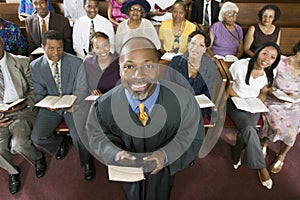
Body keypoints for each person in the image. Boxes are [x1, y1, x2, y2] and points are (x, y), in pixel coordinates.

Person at [84, 37, 205, 199]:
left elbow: (191, 135)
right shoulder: (104, 105)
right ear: (119, 70)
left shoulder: (184, 101)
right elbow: (96, 135)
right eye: (129, 66)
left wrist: (166, 154)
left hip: (163, 172)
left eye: (148, 66)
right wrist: (114, 152)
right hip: (128, 171)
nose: (138, 75)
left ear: (159, 68)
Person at [30, 30, 96, 181]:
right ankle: (60, 142)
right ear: (43, 47)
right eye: (51, 48)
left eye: (60, 48)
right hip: (51, 108)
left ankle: (87, 161)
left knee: (78, 136)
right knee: (37, 137)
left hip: (74, 105)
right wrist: (49, 105)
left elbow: (82, 88)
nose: (56, 53)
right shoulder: (35, 66)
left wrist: (75, 104)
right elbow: (39, 93)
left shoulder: (76, 62)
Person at [227, 42, 281, 190]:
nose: (266, 59)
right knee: (251, 130)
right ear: (258, 52)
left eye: (272, 57)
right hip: (235, 102)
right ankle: (261, 167)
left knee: (247, 130)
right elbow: (227, 85)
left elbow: (263, 91)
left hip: (253, 105)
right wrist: (239, 99)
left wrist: (258, 102)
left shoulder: (270, 72)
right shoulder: (240, 65)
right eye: (264, 53)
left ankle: (236, 152)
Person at [0, 37, 46, 195]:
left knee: (19, 144)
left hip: (23, 109)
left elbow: (36, 91)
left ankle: (37, 157)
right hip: (1, 114)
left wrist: (26, 104)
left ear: (1, 42)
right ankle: (13, 172)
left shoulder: (22, 62)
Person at [260, 41, 300, 174]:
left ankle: (282, 154)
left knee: (292, 128)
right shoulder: (281, 62)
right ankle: (264, 142)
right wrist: (274, 92)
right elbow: (267, 83)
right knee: (274, 122)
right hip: (274, 100)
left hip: (294, 104)